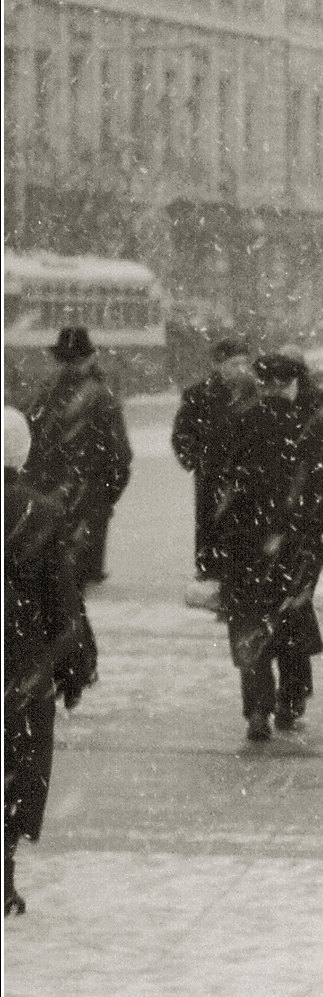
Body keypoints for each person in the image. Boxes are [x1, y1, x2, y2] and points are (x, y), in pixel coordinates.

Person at [215, 352, 323, 742]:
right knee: (292, 614)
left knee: (251, 619)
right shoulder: (313, 425)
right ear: (293, 384)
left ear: (262, 385)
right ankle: (291, 701)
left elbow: (222, 485)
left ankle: (257, 708)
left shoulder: (238, 421)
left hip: (248, 543)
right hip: (297, 539)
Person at [5, 407, 97, 916]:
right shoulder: (42, 514)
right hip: (22, 667)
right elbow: (63, 605)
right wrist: (73, 668)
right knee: (17, 771)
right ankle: (4, 873)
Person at [24, 326, 132, 586]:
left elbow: (118, 454)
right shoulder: (54, 395)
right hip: (62, 495)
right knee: (62, 582)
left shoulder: (57, 395)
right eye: (66, 360)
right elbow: (120, 454)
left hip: (78, 495)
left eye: (74, 360)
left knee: (68, 581)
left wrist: (104, 496)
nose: (70, 366)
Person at [171, 334, 256, 583]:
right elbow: (182, 434)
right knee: (212, 524)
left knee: (247, 526)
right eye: (233, 364)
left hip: (248, 473)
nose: (240, 370)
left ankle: (243, 572)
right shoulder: (199, 395)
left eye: (244, 363)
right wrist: (197, 460)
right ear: (218, 366)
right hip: (213, 475)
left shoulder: (256, 392)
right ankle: (211, 570)